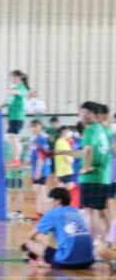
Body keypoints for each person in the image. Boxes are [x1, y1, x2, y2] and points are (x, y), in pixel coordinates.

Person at [56, 102, 112, 239]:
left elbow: (87, 149)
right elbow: (84, 151)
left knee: (89, 212)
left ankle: (91, 244)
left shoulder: (90, 130)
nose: (84, 115)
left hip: (91, 177)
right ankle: (106, 243)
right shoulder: (103, 130)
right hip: (103, 176)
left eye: (87, 112)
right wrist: (63, 151)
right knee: (100, 212)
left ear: (95, 114)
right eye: (82, 112)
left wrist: (85, 167)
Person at [21, 187, 93, 269]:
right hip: (88, 261)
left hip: (66, 262)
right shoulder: (79, 212)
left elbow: (30, 236)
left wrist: (27, 247)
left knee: (28, 241)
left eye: (50, 200)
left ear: (58, 201)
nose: (48, 203)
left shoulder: (52, 213)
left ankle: (37, 258)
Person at [4, 70, 29, 168]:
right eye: (11, 77)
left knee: (14, 137)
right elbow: (8, 101)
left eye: (13, 77)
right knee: (13, 138)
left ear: (19, 77)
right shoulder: (14, 89)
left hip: (18, 117)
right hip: (12, 116)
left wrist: (7, 91)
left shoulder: (22, 88)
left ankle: (17, 159)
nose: (11, 79)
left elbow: (15, 92)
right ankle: (16, 159)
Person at [27, 119, 52, 221]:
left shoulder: (41, 139)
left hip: (41, 169)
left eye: (35, 126)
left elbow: (42, 156)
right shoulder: (34, 139)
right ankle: (39, 213)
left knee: (41, 192)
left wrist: (38, 170)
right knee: (37, 191)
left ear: (40, 127)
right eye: (32, 126)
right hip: (35, 168)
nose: (33, 128)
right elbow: (32, 154)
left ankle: (46, 214)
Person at [54, 126, 76, 193]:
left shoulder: (64, 141)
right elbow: (65, 155)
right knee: (69, 188)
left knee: (64, 188)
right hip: (65, 170)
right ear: (63, 132)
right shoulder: (61, 142)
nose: (69, 133)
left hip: (64, 170)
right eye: (67, 132)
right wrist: (71, 163)